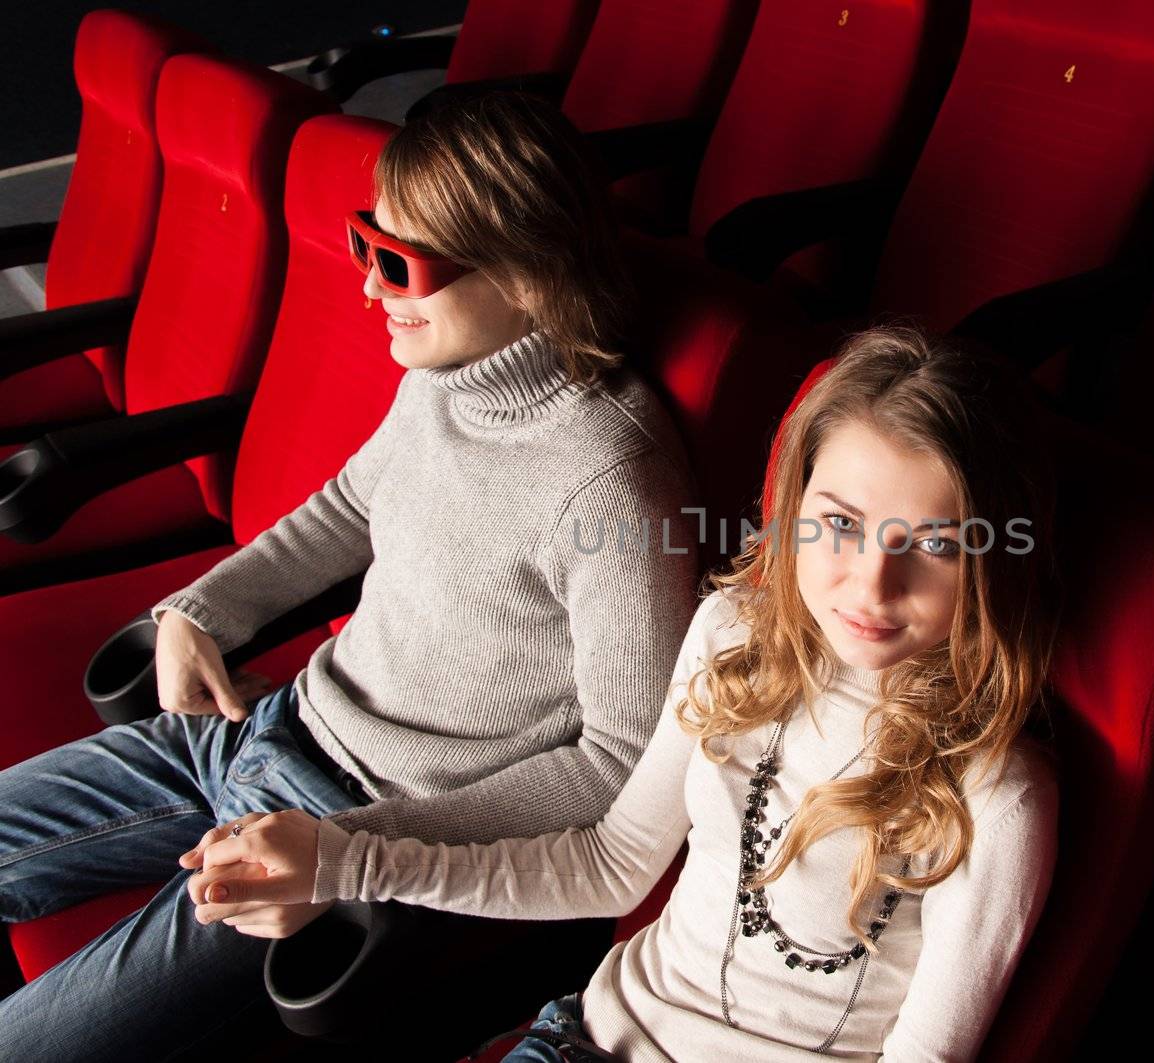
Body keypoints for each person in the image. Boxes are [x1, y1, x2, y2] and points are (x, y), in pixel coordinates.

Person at [0, 90, 698, 1062]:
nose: (367, 285)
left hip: (350, 815)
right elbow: (347, 507)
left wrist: (350, 857)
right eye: (366, 242)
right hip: (260, 726)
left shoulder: (611, 478)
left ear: (532, 274)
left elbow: (615, 760)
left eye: (400, 263)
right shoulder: (443, 379)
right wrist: (203, 608)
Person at [188, 326, 1063, 1062]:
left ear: (995, 561)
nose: (872, 586)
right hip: (591, 1038)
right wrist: (350, 862)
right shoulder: (732, 633)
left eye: (936, 545)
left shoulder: (999, 792)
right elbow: (610, 864)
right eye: (839, 525)